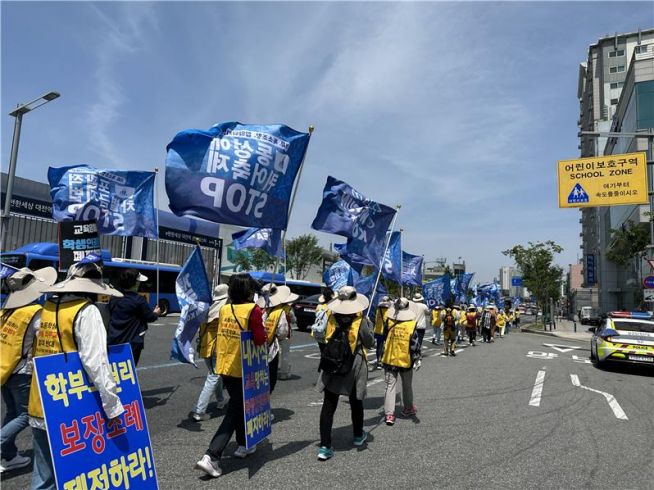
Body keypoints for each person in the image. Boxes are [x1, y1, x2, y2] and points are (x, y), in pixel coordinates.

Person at [30, 258, 125, 490]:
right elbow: (96, 362)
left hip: (41, 398)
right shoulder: (86, 311)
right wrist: (112, 404)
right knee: (77, 472)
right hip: (72, 405)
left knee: (43, 475)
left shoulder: (48, 307)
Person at [195, 273, 267, 478]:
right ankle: (212, 455)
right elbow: (260, 339)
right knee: (235, 410)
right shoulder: (253, 310)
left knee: (239, 406)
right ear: (249, 291)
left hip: (225, 365)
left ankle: (244, 444)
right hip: (243, 368)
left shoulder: (225, 308)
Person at [0, 266, 56, 474]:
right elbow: (44, 339)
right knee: (25, 414)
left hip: (5, 370)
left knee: (12, 412)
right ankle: (2, 445)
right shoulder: (35, 313)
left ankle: (9, 454)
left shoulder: (6, 311)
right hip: (23, 371)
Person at [316, 286, 375, 461]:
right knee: (356, 401)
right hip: (353, 364)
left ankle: (325, 446)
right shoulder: (360, 320)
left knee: (329, 404)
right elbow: (370, 343)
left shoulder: (329, 315)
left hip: (331, 362)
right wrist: (368, 324)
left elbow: (319, 335)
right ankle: (358, 436)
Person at [191, 284, 229, 422]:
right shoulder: (225, 310)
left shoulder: (206, 310)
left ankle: (220, 400)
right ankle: (199, 411)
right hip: (217, 348)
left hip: (205, 346)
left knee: (216, 375)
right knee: (213, 377)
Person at [107, 268, 160, 365]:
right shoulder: (138, 300)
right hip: (131, 342)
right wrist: (156, 313)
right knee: (129, 370)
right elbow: (150, 317)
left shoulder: (114, 297)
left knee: (113, 369)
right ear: (135, 283)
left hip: (113, 340)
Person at [382, 298, 421, 426]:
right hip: (405, 359)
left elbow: (384, 337)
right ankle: (408, 408)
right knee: (407, 385)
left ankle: (389, 414)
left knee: (390, 386)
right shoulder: (411, 324)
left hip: (390, 358)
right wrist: (417, 359)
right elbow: (414, 345)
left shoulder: (388, 321)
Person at [257, 283, 298, 393]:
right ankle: (284, 373)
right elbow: (283, 331)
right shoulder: (284, 310)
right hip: (277, 340)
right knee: (284, 354)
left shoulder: (263, 310)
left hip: (261, 342)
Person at [373, 296, 391, 370]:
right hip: (386, 331)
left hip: (378, 330)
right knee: (387, 345)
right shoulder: (389, 310)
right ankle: (385, 360)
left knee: (379, 346)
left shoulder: (378, 309)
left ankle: (379, 361)